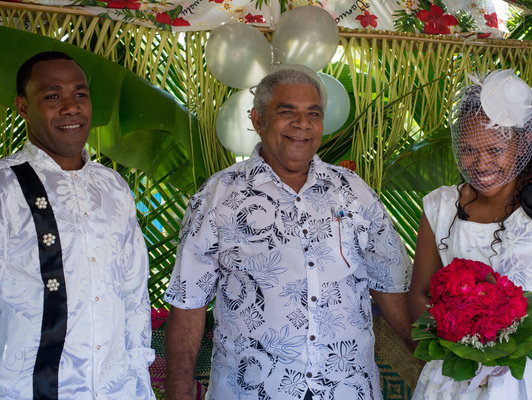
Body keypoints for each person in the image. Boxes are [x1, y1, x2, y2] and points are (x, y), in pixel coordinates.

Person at [164, 68, 413, 400]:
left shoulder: (353, 191)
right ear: (257, 120)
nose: (302, 124)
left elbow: (392, 287)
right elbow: (188, 304)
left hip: (347, 391)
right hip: (251, 392)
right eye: (287, 112)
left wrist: (439, 362)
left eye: (313, 113)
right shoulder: (219, 197)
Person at [408, 69, 532, 399]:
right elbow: (419, 292)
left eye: (495, 150)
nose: (480, 163)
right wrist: (456, 338)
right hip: (458, 373)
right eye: (468, 150)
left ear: (524, 141)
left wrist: (527, 341)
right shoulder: (440, 206)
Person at [0, 51, 155, 399]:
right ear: (23, 107)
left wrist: (136, 378)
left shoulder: (113, 186)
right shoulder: (6, 187)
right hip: (30, 390)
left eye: (80, 95)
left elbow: (132, 294)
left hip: (118, 390)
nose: (71, 107)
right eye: (53, 96)